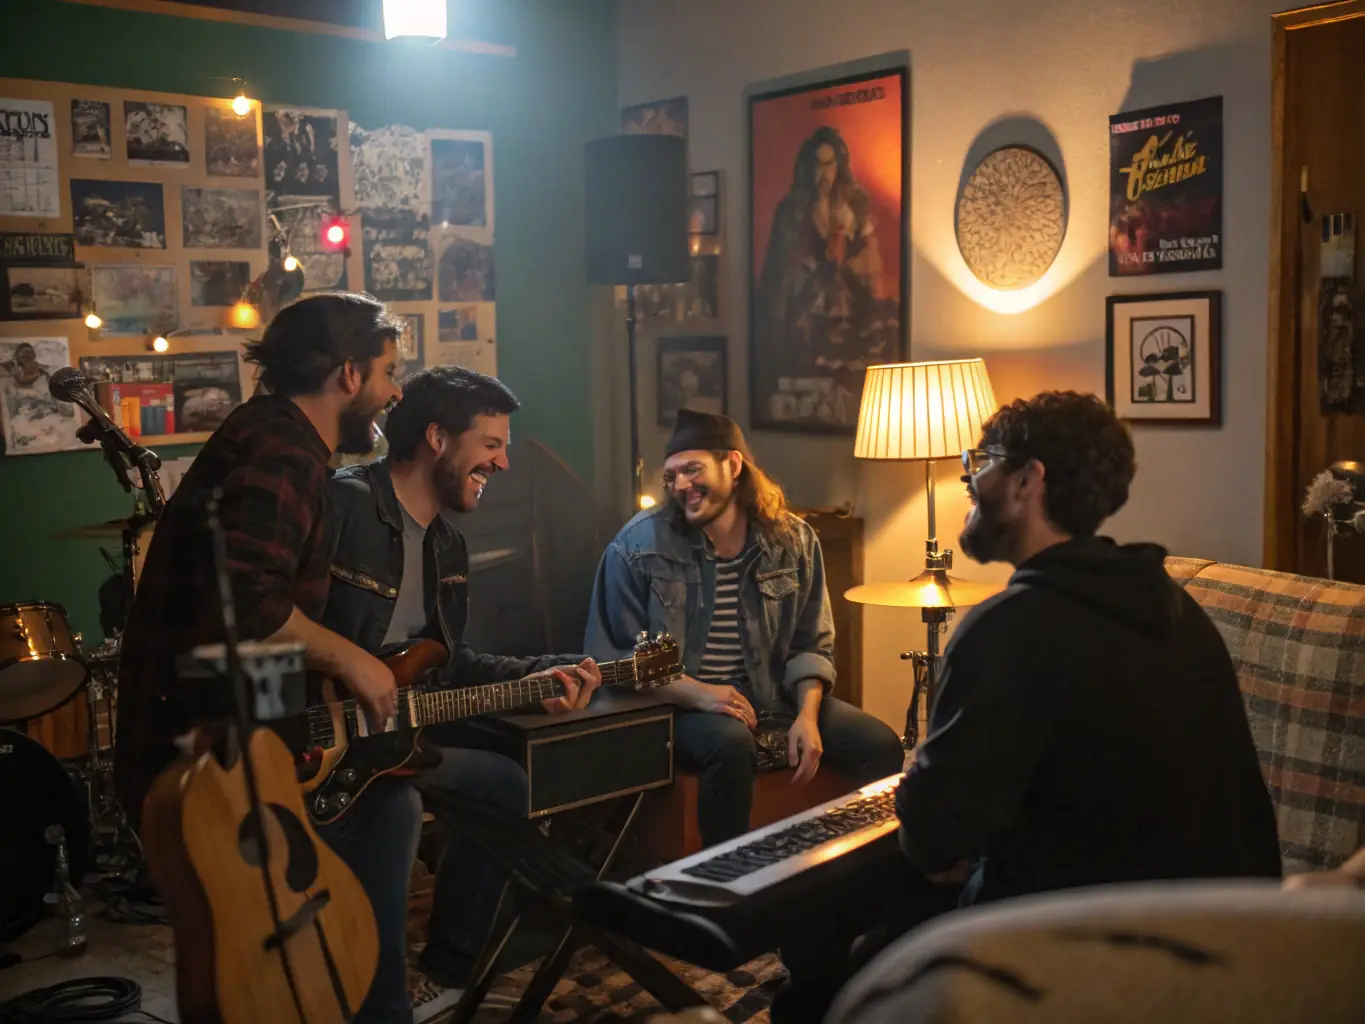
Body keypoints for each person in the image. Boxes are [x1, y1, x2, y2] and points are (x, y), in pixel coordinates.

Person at [768, 391, 1283, 1024]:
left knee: (820, 923)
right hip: (1220, 934)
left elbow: (932, 838)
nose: (968, 480)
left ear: (1025, 482)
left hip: (1076, 941)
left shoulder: (1008, 627)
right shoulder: (1176, 608)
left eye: (979, 461)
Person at [320, 365, 600, 1019]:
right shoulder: (344, 505)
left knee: (503, 781)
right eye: (492, 444)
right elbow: (278, 617)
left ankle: (450, 969)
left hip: (394, 739)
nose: (503, 463)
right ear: (438, 438)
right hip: (317, 745)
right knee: (391, 809)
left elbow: (449, 665)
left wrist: (536, 682)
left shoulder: (446, 546)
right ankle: (375, 1004)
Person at [114, 292, 404, 833]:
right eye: (389, 372)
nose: (395, 391)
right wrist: (353, 661)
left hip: (214, 748)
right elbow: (250, 605)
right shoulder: (284, 452)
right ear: (349, 374)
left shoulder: (271, 433)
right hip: (203, 765)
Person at [584, 409, 904, 848]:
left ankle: (853, 867)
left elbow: (812, 644)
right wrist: (700, 693)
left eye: (693, 469)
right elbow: (612, 660)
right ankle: (724, 876)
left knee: (882, 745)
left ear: (733, 465)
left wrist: (808, 716)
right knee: (731, 743)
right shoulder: (637, 546)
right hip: (679, 708)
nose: (681, 485)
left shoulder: (793, 541)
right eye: (672, 475)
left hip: (772, 696)